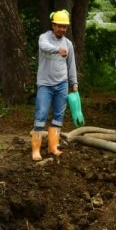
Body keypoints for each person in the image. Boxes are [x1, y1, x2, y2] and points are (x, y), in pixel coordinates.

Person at [32, 9, 79, 161]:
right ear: (53, 25)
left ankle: (53, 147)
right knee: (41, 115)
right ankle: (36, 150)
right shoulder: (44, 38)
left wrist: (74, 82)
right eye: (59, 26)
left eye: (64, 27)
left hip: (62, 84)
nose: (62, 29)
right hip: (45, 84)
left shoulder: (68, 44)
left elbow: (71, 64)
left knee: (58, 116)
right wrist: (58, 50)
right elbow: (44, 47)